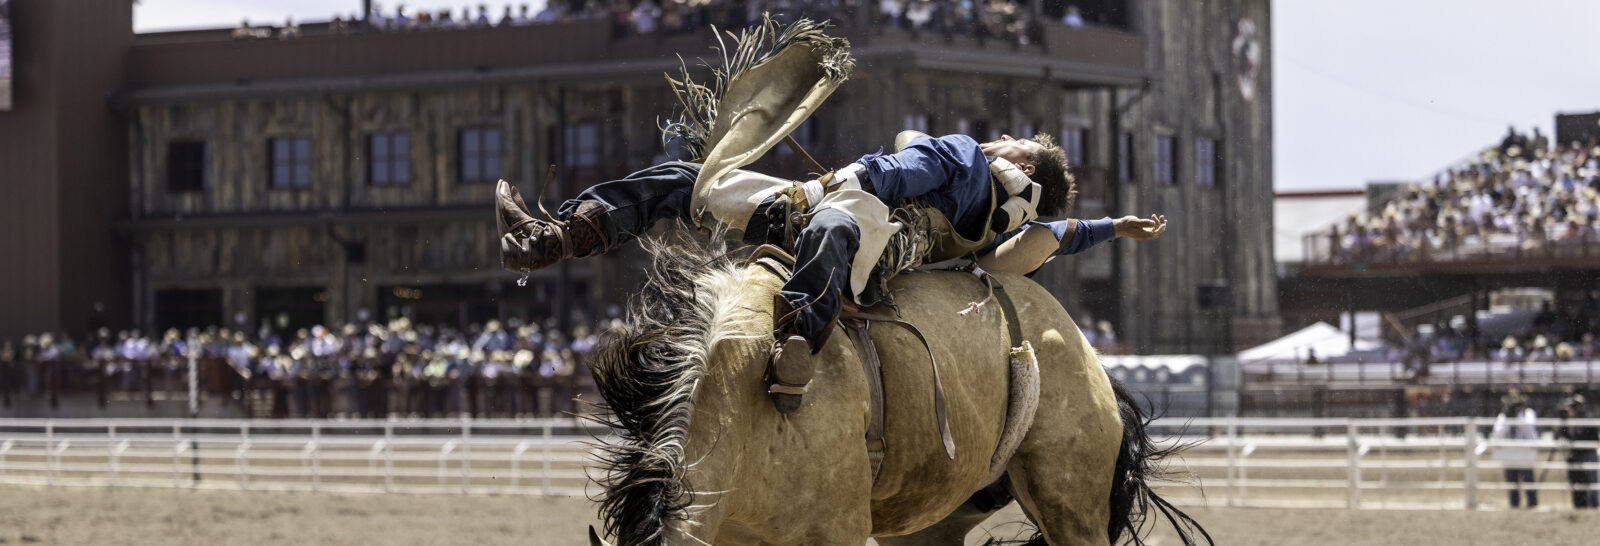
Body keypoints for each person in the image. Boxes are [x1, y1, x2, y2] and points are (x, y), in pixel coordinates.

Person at [496, 132, 1164, 412]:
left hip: (855, 217)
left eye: (1015, 140)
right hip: (836, 213)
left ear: (1022, 164)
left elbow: (900, 172)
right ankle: (557, 233)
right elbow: (1062, 235)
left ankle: (798, 350)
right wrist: (1116, 228)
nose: (1001, 139)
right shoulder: (1014, 224)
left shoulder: (966, 158)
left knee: (720, 191)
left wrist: (839, 185)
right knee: (695, 181)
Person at [1492, 393, 1540, 509]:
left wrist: (1516, 418)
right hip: (1510, 453)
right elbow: (1497, 433)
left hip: (1525, 452)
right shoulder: (1503, 416)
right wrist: (1507, 417)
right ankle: (1514, 504)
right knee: (1512, 481)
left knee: (1528, 480)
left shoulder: (1528, 413)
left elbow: (1529, 427)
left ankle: (1532, 504)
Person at [1557, 395, 1598, 509]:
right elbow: (1564, 435)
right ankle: (1580, 505)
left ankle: (1594, 506)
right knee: (1578, 482)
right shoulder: (1570, 420)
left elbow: (1585, 435)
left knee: (1591, 482)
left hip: (1588, 453)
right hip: (1577, 454)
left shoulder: (1587, 417)